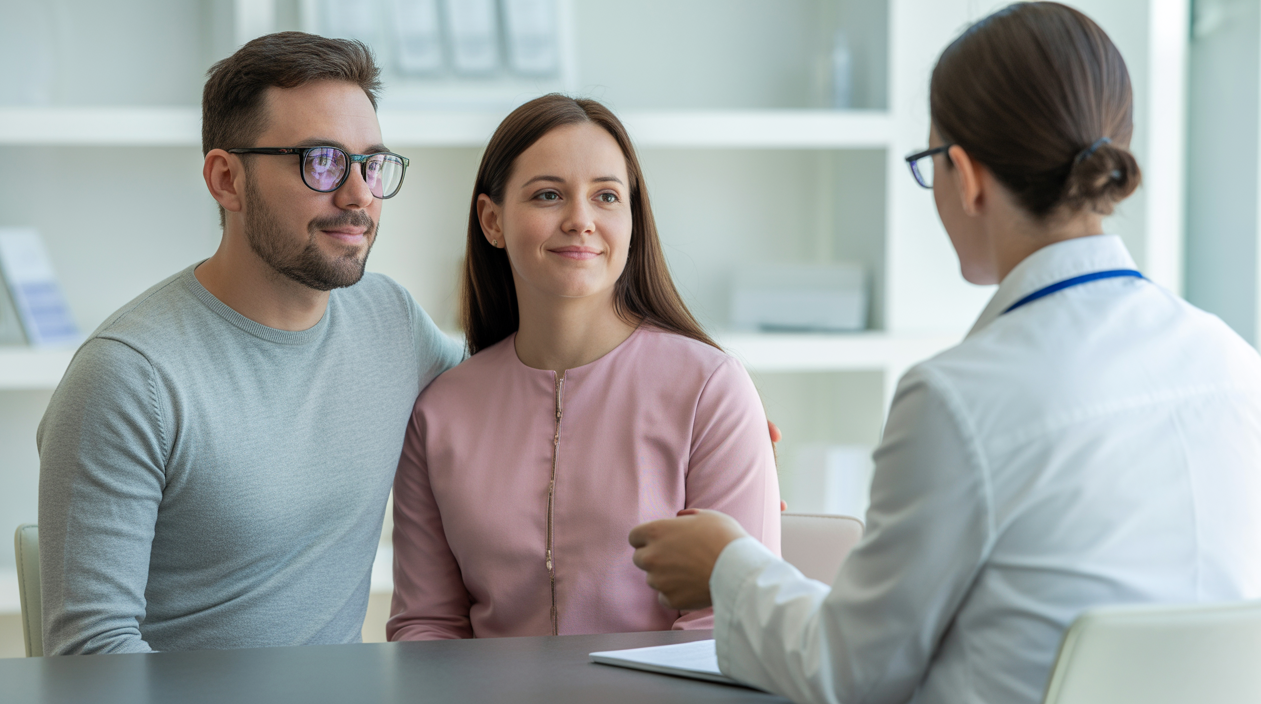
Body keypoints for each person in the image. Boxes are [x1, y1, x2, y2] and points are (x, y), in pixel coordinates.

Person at [628, 4, 1261, 703]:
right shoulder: (1235, 364)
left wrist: (727, 565)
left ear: (965, 174)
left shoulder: (957, 398)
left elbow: (848, 673)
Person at [36, 33, 464, 654]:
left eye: (371, 164)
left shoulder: (391, 320)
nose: (359, 196)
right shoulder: (128, 378)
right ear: (226, 179)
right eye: (321, 161)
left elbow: (509, 392)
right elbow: (92, 657)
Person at [386, 95, 783, 641]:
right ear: (492, 221)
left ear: (632, 221)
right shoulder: (438, 414)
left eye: (606, 196)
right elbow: (426, 625)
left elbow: (727, 625)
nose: (580, 220)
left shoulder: (711, 389)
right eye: (549, 195)